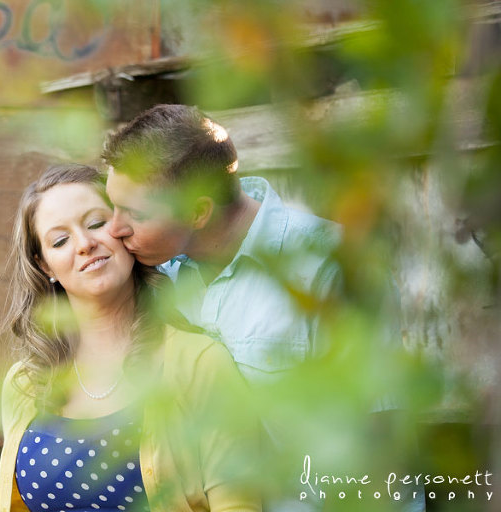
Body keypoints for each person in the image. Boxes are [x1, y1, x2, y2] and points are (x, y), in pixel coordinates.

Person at [102, 104, 423, 511]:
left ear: (198, 212)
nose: (114, 228)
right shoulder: (150, 271)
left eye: (136, 213)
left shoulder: (333, 269)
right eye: (111, 204)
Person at [0, 163, 260, 512]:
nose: (85, 244)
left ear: (125, 228)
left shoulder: (199, 363)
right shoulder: (24, 383)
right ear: (45, 266)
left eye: (96, 223)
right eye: (60, 240)